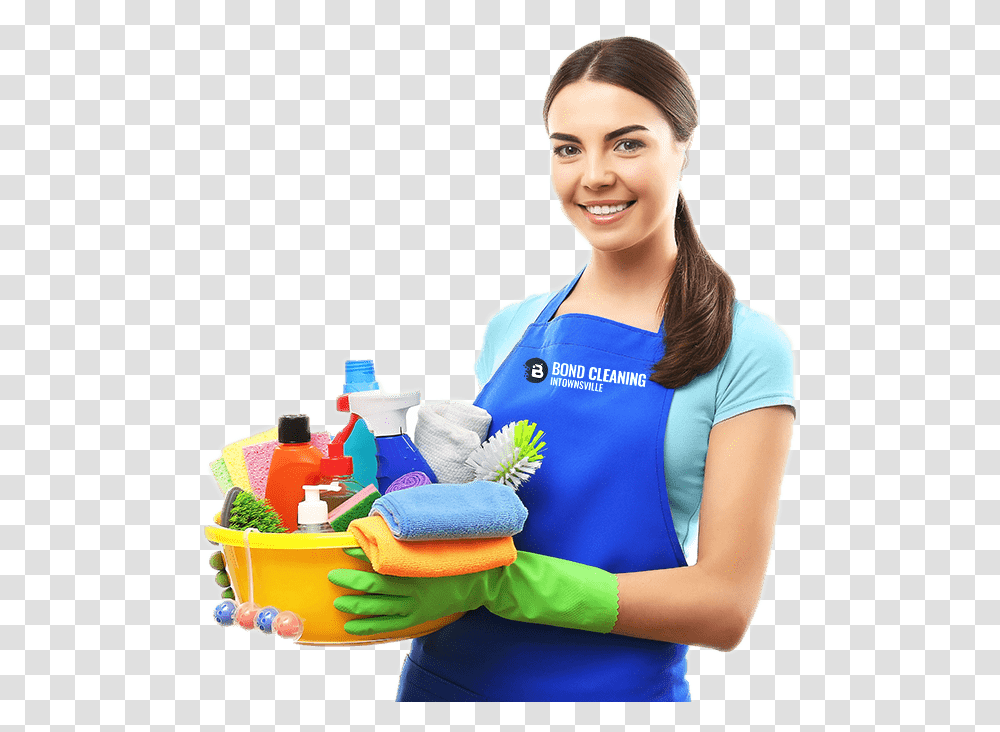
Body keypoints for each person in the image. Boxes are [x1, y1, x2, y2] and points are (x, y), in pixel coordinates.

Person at [327, 37, 796, 702]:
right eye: (568, 147)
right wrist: (297, 555)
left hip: (616, 697)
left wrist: (500, 584)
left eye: (627, 144)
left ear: (683, 146)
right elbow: (460, 507)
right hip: (445, 687)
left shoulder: (743, 349)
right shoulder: (513, 328)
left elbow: (724, 605)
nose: (594, 175)